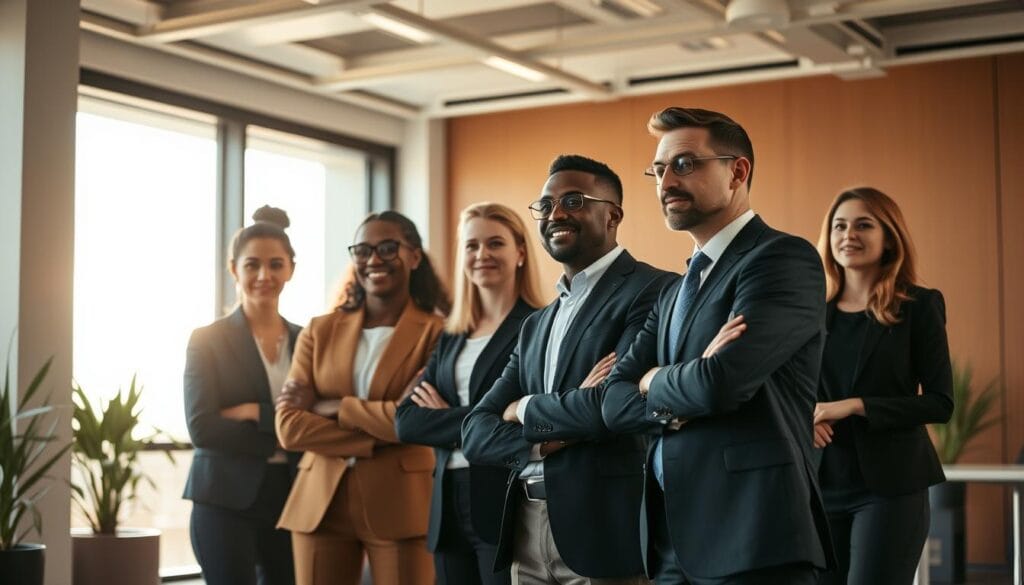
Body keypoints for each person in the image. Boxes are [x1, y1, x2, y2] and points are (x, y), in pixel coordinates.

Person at [602, 107, 834, 585]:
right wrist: (672, 389)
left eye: (685, 164)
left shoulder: (781, 259)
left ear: (738, 172)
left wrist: (652, 379)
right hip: (670, 543)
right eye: (659, 169)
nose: (666, 181)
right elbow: (612, 400)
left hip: (752, 537)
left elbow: (719, 383)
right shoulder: (672, 291)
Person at [463, 155, 675, 585]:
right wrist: (548, 439)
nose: (556, 214)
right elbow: (475, 432)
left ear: (612, 214)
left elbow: (610, 406)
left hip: (604, 531)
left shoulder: (653, 290)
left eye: (573, 201)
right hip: (526, 525)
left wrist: (522, 407)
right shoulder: (535, 324)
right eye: (545, 205)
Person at [274, 211, 447, 585]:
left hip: (401, 504)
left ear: (414, 256)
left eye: (388, 248)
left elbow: (417, 423)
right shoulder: (319, 331)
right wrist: (384, 426)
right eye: (363, 250)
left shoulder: (438, 334)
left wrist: (331, 406)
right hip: (320, 503)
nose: (374, 260)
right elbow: (289, 428)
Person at [395, 202, 546, 585]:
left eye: (495, 243)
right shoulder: (451, 336)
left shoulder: (538, 325)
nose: (482, 255)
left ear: (521, 252)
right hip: (447, 507)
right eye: (471, 245)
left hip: (505, 502)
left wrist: (446, 415)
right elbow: (407, 421)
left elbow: (536, 416)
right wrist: (486, 418)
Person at [812, 187, 953, 585]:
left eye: (863, 225)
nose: (848, 234)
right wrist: (805, 414)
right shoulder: (811, 312)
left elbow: (940, 404)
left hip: (891, 489)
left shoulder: (919, 306)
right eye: (839, 226)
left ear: (889, 236)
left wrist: (855, 405)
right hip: (820, 484)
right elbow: (792, 388)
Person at [183, 205, 303, 585]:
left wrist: (254, 411)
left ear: (291, 269)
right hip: (223, 499)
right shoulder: (207, 340)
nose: (264, 275)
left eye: (275, 264)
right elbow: (203, 427)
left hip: (293, 495)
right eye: (252, 265)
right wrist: (283, 428)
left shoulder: (308, 340)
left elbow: (320, 418)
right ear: (234, 269)